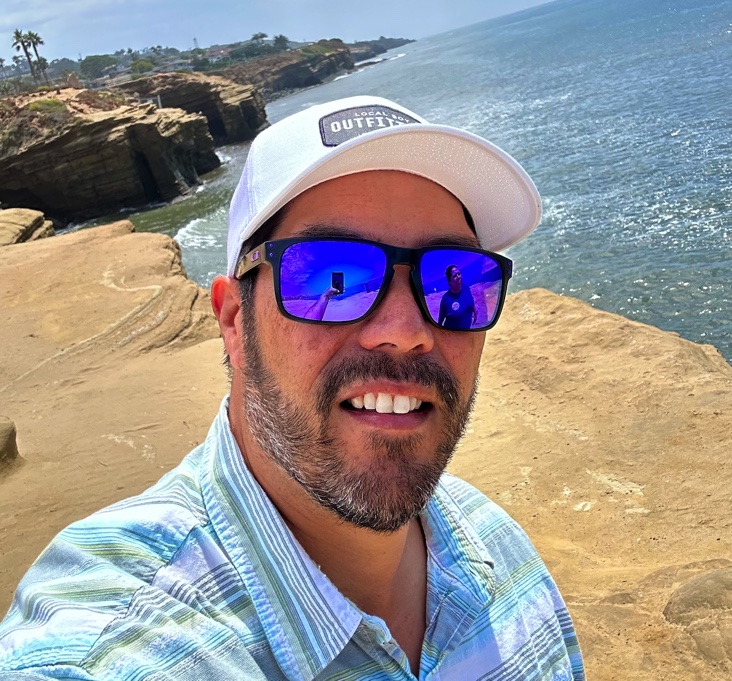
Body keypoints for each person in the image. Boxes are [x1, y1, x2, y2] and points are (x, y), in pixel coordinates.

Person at [0, 96, 584, 680]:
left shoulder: (496, 549)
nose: (406, 332)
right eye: (331, 276)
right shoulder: (111, 645)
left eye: (453, 278)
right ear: (234, 321)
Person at [438, 265, 477, 329]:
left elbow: (471, 302)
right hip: (452, 333)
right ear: (449, 281)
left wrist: (475, 313)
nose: (458, 277)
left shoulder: (466, 288)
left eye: (459, 274)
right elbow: (440, 319)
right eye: (455, 276)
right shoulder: (445, 299)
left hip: (467, 330)